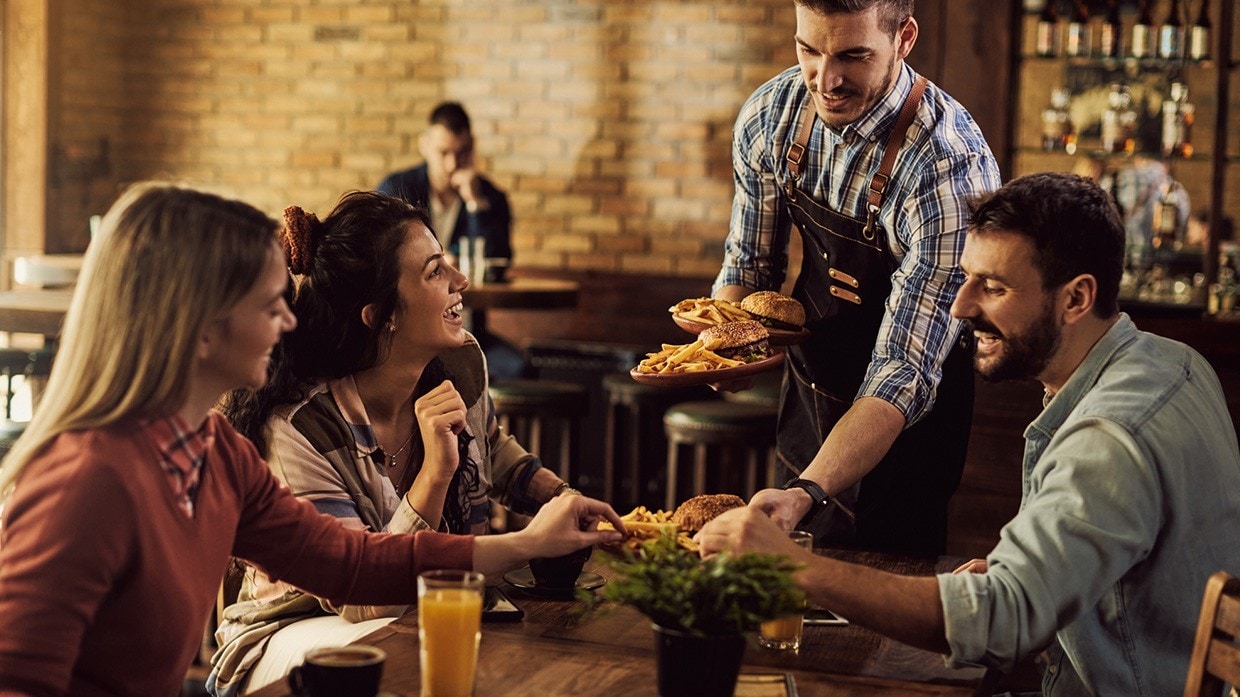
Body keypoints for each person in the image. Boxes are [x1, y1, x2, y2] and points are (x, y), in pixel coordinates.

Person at [0, 183, 625, 697]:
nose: (289, 320)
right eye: (268, 303)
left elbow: (356, 566)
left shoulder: (215, 456)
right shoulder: (86, 482)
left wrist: (529, 541)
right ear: (201, 330)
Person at [699, 172, 1240, 696]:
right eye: (966, 277)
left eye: (995, 287)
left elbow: (1004, 625)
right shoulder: (1176, 364)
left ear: (1076, 299)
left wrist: (795, 566)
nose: (961, 307)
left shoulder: (1108, 439)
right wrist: (1038, 577)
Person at [208, 191, 575, 695]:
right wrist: (435, 475)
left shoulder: (459, 365)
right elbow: (364, 598)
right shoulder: (301, 430)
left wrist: (564, 500)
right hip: (293, 631)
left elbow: (496, 453)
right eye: (434, 272)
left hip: (419, 608)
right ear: (382, 314)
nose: (461, 281)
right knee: (392, 656)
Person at [713, 0, 1001, 555]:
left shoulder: (946, 167)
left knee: (876, 617)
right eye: (808, 50)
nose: (826, 80)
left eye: (852, 55)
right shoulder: (772, 115)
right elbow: (749, 265)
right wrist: (727, 346)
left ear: (905, 37)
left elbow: (902, 371)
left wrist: (805, 493)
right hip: (811, 393)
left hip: (905, 432)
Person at [377, 101, 524, 380]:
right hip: (407, 332)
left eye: (462, 152)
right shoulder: (396, 189)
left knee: (516, 368)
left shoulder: (490, 198)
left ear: (473, 148)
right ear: (425, 146)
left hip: (467, 328)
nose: (452, 164)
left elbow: (497, 262)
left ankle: (485, 425)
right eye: (443, 152)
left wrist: (474, 204)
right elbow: (380, 260)